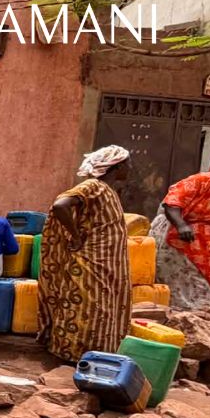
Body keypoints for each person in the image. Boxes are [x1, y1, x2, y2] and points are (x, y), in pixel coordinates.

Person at [37, 145, 132, 362]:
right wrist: (76, 236)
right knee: (87, 308)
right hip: (91, 261)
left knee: (101, 310)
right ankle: (73, 355)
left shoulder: (107, 191)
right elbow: (61, 205)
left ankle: (97, 355)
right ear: (116, 167)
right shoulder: (93, 186)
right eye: (127, 164)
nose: (131, 168)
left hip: (105, 263)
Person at [149, 154, 210, 310]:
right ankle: (173, 321)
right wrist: (181, 225)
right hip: (173, 242)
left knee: (203, 287)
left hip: (205, 248)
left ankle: (196, 321)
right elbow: (172, 202)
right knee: (173, 286)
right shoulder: (202, 181)